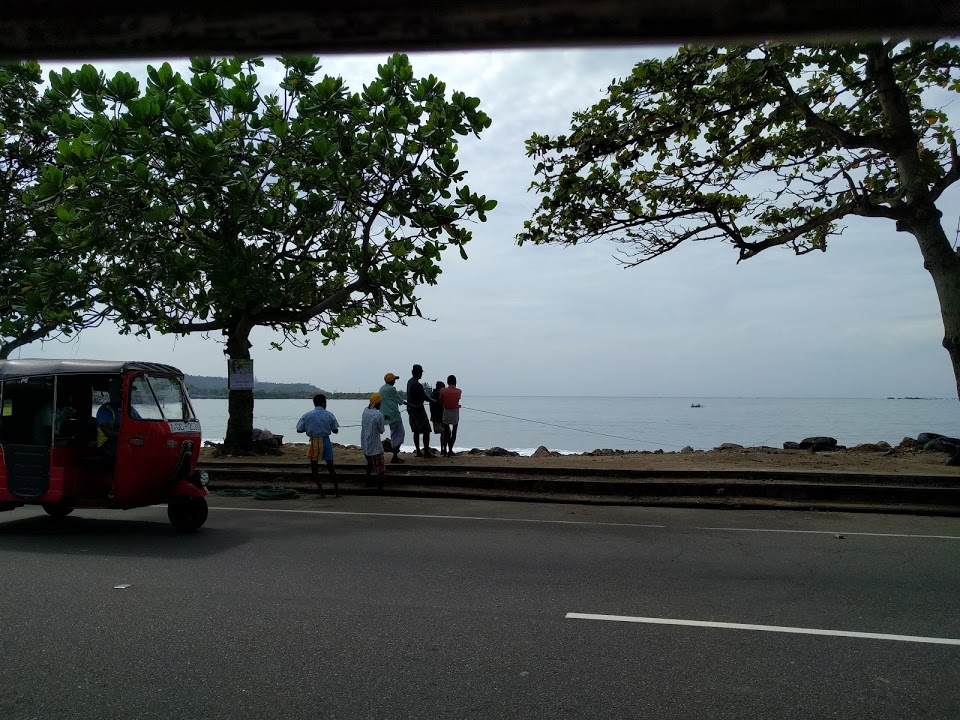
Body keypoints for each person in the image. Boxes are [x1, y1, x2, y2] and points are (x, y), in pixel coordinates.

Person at [296, 394, 340, 498]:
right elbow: (335, 430)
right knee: (331, 467)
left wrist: (309, 428)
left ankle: (322, 492)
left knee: (314, 468)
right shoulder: (329, 415)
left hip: (314, 442)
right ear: (324, 403)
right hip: (326, 441)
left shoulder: (307, 415)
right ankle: (337, 492)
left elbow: (299, 429)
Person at [406, 364, 435, 458]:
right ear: (419, 373)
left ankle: (418, 451)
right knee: (426, 430)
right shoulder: (417, 385)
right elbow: (424, 397)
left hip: (411, 409)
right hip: (418, 409)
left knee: (416, 431)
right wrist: (433, 401)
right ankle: (426, 451)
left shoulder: (409, 382)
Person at [378, 372, 406, 464]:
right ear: (391, 381)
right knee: (400, 434)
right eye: (394, 380)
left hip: (386, 416)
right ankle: (394, 456)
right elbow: (399, 400)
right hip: (394, 415)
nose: (395, 381)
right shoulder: (392, 389)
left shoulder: (382, 389)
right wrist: (410, 404)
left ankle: (395, 454)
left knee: (394, 433)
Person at [361, 393, 386, 491]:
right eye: (380, 402)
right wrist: (383, 419)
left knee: (370, 464)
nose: (381, 404)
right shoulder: (379, 415)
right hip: (375, 445)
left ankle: (367, 482)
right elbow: (381, 430)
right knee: (380, 469)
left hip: (365, 442)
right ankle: (380, 487)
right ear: (377, 403)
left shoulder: (365, 411)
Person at [96, 379, 124, 462]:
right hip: (106, 446)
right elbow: (108, 432)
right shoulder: (105, 410)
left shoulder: (130, 409)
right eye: (121, 393)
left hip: (121, 441)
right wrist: (127, 435)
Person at [439, 374, 462, 457]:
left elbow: (441, 400)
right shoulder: (459, 391)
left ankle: (444, 450)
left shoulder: (442, 390)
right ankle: (450, 449)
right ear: (455, 382)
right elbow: (457, 400)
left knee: (445, 432)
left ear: (447, 382)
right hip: (455, 412)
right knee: (454, 431)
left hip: (446, 411)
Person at [429, 380, 447, 456]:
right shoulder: (437, 394)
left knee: (443, 434)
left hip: (434, 417)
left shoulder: (432, 394)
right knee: (445, 433)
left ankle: (443, 449)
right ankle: (444, 450)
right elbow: (442, 404)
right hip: (439, 417)